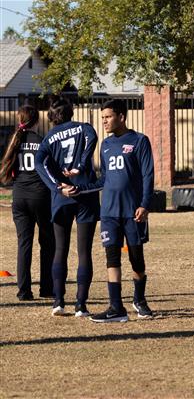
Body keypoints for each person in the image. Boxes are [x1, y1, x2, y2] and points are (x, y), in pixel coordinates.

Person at [62, 99, 154, 322]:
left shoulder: (140, 141)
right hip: (109, 213)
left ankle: (139, 300)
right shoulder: (105, 145)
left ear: (121, 117)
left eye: (108, 117)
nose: (104, 121)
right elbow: (103, 179)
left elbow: (148, 176)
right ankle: (116, 308)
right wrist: (78, 188)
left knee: (136, 260)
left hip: (133, 213)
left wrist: (144, 205)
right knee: (112, 259)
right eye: (102, 117)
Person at [34, 97, 99, 317]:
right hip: (85, 193)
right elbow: (92, 137)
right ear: (71, 112)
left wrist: (57, 187)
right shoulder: (84, 128)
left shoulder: (49, 137)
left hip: (62, 196)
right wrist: (81, 165)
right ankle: (81, 305)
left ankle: (58, 302)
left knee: (60, 249)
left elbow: (39, 161)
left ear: (51, 116)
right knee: (84, 252)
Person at [0, 105, 54, 300]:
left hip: (20, 197)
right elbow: (50, 170)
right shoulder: (42, 142)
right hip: (40, 197)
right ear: (37, 121)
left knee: (24, 244)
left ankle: (24, 291)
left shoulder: (15, 141)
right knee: (47, 243)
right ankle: (47, 289)